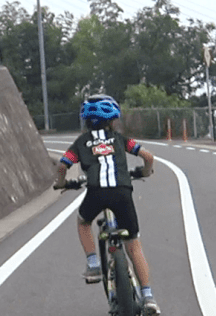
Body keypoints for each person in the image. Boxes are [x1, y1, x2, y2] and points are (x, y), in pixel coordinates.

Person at [54, 94, 160, 315]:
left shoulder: (81, 142)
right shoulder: (120, 139)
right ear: (112, 120)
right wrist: (144, 172)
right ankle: (148, 297)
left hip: (96, 193)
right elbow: (148, 156)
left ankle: (93, 264)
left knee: (83, 222)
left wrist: (62, 183)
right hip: (123, 192)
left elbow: (63, 166)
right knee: (133, 243)